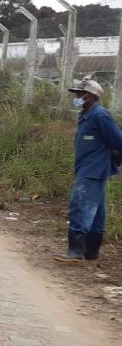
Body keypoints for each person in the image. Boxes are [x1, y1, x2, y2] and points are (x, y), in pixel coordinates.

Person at [54, 79, 122, 263]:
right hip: (89, 168)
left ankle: (75, 251)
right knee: (97, 211)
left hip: (93, 170)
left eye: (79, 94)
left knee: (79, 205)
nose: (76, 97)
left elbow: (118, 141)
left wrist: (115, 159)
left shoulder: (100, 115)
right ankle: (91, 252)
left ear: (90, 96)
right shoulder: (87, 115)